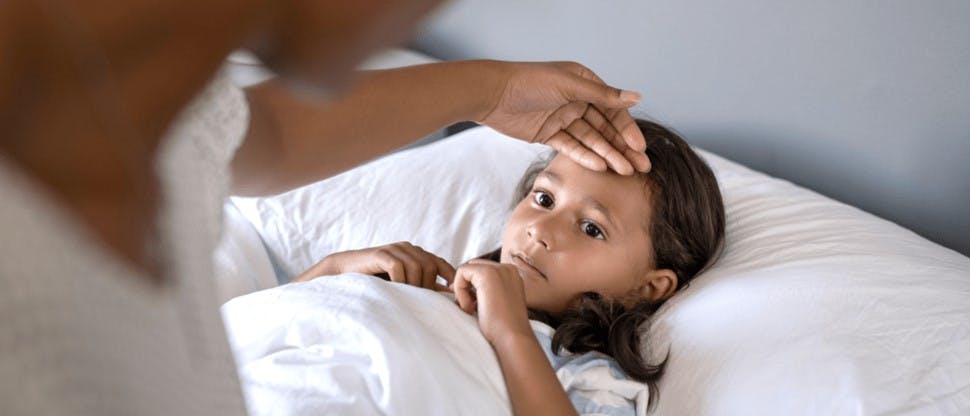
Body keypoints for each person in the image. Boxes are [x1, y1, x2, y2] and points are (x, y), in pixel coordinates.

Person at [0, 1, 655, 414]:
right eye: (541, 198)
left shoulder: (159, 113)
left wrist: (326, 277)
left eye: (593, 226)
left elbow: (263, 136)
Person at [293, 119, 726, 415]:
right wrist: (334, 271)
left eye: (592, 228)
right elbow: (247, 331)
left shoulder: (585, 374)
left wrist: (510, 331)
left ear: (649, 287)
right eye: (543, 199)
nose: (540, 231)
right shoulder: (432, 292)